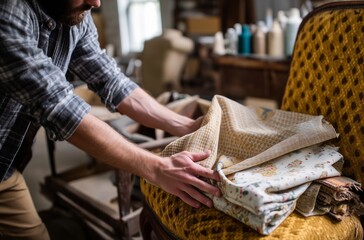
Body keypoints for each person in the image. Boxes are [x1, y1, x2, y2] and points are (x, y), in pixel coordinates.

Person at [0, 0, 221, 239]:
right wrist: (157, 168)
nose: (95, 3)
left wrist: (185, 126)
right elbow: (59, 108)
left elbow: (113, 81)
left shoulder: (77, 19)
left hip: (6, 165)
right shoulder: (8, 15)